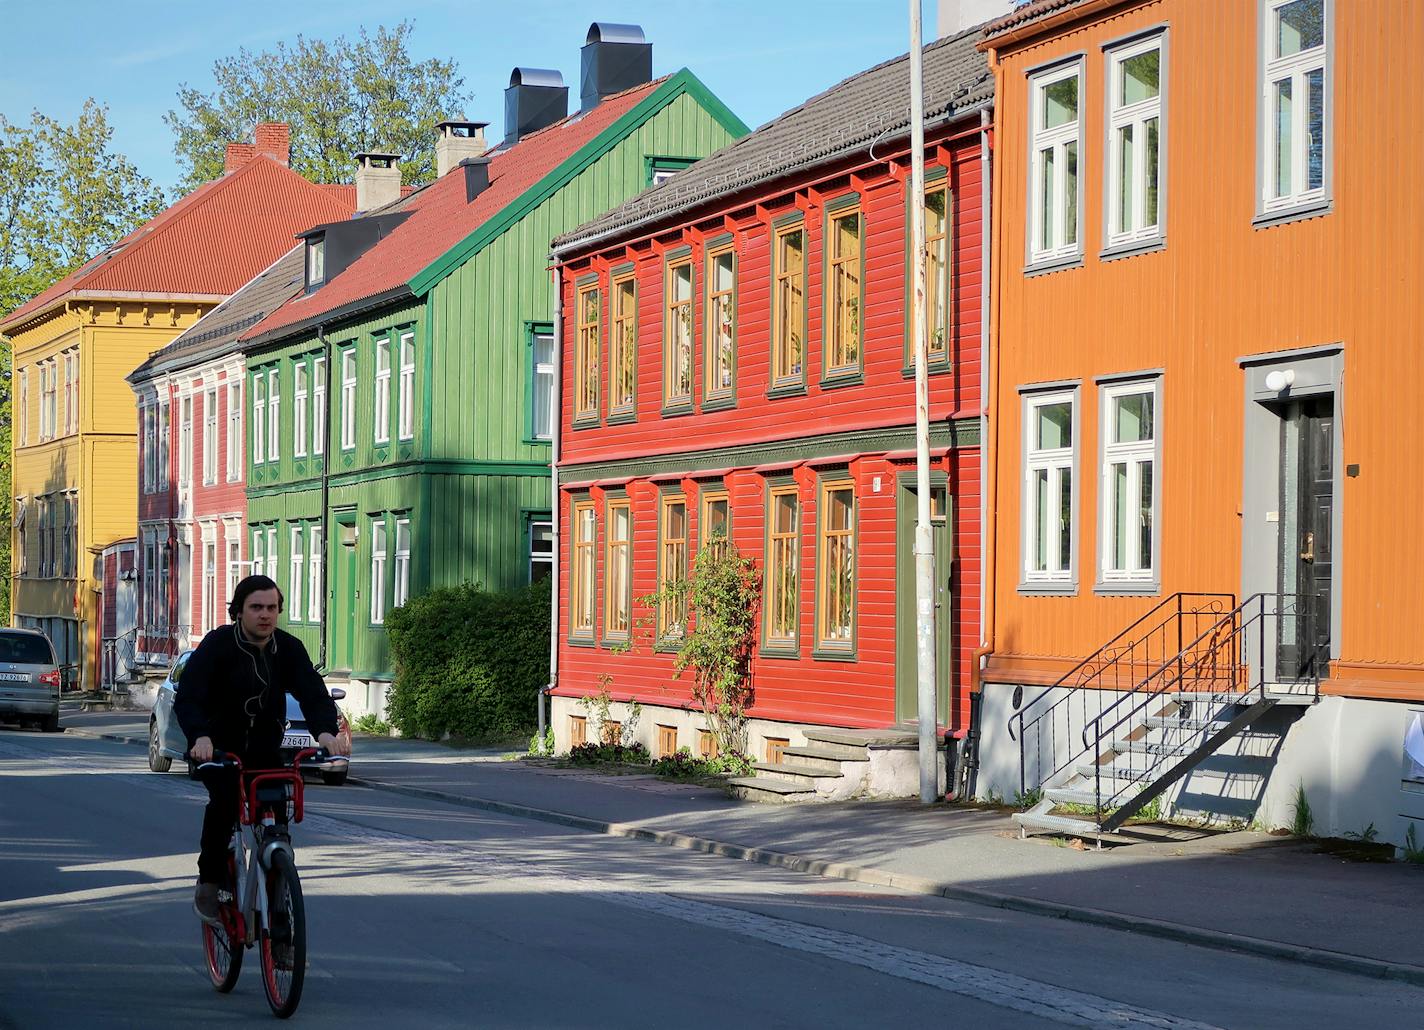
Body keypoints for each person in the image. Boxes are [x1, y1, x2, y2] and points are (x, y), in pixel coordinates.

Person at [175, 574, 350, 924]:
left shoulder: (287, 648)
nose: (265, 615)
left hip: (265, 752)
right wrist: (200, 737)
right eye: (256, 607)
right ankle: (209, 882)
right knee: (224, 806)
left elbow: (313, 693)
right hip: (219, 751)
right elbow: (189, 697)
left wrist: (326, 733)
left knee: (277, 826)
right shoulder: (218, 645)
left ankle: (281, 916)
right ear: (239, 611)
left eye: (272, 608)